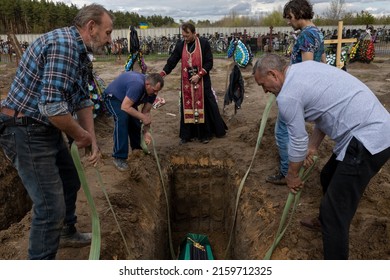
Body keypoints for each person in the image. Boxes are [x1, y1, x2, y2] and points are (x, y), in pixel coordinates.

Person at [0, 4, 113, 259]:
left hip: (44, 125)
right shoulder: (64, 46)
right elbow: (52, 107)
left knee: (70, 180)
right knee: (49, 206)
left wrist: (91, 139)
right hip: (24, 128)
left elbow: (83, 99)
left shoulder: (81, 52)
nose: (110, 39)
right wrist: (80, 135)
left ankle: (66, 232)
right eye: (107, 32)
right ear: (91, 27)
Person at [253, 53, 390, 259]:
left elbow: (297, 140)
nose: (265, 91)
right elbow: (322, 113)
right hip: (371, 129)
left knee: (334, 213)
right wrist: (313, 147)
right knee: (327, 175)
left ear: (273, 74)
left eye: (263, 84)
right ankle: (324, 222)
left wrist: (292, 175)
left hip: (368, 140)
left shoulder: (288, 96)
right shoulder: (303, 69)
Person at [266, 0, 326, 185]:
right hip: (311, 88)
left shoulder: (306, 36)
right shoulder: (317, 32)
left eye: (289, 17)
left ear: (298, 13)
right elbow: (323, 62)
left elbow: (306, 68)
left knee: (283, 131)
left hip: (298, 91)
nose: (288, 21)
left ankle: (287, 172)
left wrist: (291, 90)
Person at [160, 22, 227, 144]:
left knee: (204, 106)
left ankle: (205, 135)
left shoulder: (204, 43)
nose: (185, 38)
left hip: (202, 81)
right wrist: (163, 73)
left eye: (187, 35)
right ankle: (186, 135)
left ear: (194, 33)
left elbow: (209, 62)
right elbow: (172, 60)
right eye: (183, 36)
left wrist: (199, 75)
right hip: (187, 83)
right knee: (187, 106)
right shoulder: (181, 45)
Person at [103, 72, 164, 171]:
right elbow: (125, 107)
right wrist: (143, 118)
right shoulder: (137, 85)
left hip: (128, 100)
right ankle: (119, 157)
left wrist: (146, 131)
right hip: (113, 97)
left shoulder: (152, 92)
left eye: (158, 91)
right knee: (122, 119)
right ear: (147, 84)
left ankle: (137, 151)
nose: (156, 94)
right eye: (154, 90)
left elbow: (146, 112)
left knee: (135, 122)